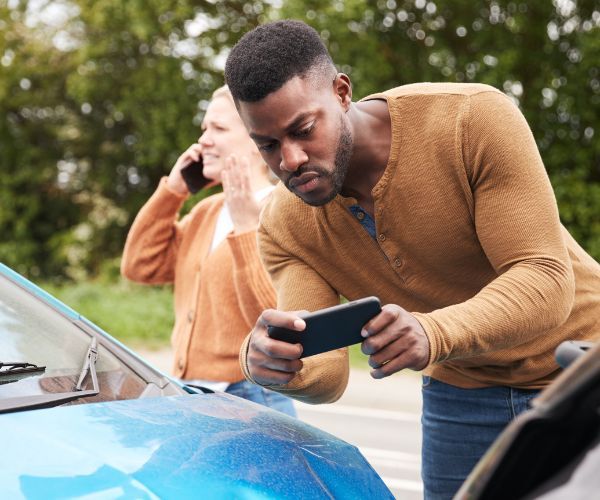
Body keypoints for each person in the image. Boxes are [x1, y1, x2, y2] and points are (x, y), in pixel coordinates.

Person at [223, 20, 600, 498]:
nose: (290, 160)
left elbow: (545, 279)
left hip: (584, 368)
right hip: (461, 394)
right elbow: (327, 374)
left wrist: (431, 331)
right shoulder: (284, 224)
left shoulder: (471, 120)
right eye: (268, 145)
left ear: (341, 92)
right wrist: (271, 364)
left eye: (303, 130)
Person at [120, 85, 296, 417]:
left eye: (218, 128)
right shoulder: (207, 212)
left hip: (251, 398)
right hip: (190, 394)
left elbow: (274, 319)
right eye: (204, 130)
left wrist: (246, 227)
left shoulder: (286, 209)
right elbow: (139, 266)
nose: (203, 141)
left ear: (257, 135)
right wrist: (173, 191)